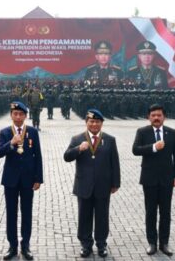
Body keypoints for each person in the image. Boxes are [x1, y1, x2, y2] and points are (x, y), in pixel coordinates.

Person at [63, 109, 120, 258]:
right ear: (86, 122)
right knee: (84, 216)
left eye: (97, 122)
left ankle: (101, 244)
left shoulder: (109, 139)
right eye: (91, 121)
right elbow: (67, 157)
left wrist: (115, 183)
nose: (94, 124)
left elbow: (115, 163)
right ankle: (86, 244)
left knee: (102, 216)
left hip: (103, 186)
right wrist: (78, 149)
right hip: (84, 185)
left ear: (101, 123)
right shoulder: (77, 139)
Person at [132, 104, 175, 257]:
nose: (156, 118)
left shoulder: (172, 133)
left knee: (166, 213)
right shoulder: (142, 132)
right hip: (149, 179)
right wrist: (153, 147)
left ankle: (164, 243)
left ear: (164, 117)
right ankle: (152, 243)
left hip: (167, 180)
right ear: (149, 117)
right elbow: (135, 150)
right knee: (151, 212)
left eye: (159, 115)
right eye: (153, 115)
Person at [0, 101, 43, 260]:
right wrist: (11, 143)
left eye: (21, 114)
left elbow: (38, 156)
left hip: (28, 180)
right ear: (11, 115)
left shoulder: (32, 132)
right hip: (10, 180)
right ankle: (12, 246)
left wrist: (38, 178)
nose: (17, 116)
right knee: (11, 213)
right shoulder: (5, 132)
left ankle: (26, 245)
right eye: (15, 114)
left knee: (27, 213)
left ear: (25, 116)